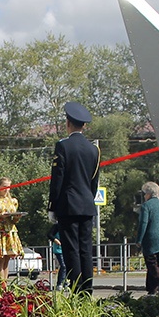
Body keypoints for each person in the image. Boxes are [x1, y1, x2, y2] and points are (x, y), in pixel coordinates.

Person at [49, 101, 99, 292]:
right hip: (87, 205)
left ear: (67, 123)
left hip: (68, 205)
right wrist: (88, 199)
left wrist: (52, 206)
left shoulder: (63, 146)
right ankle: (87, 290)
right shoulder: (94, 149)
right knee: (86, 249)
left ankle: (77, 291)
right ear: (84, 126)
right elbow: (94, 182)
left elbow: (57, 180)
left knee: (71, 250)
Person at [0, 176, 24, 284]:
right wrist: (1, 216)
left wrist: (17, 217)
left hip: (10, 231)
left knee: (7, 260)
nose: (7, 189)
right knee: (0, 260)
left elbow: (14, 221)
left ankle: (5, 284)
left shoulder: (13, 201)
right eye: (4, 187)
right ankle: (1, 285)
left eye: (9, 187)